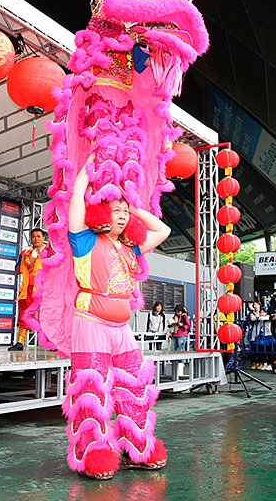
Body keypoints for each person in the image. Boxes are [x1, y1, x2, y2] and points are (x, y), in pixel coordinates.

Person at [62, 157, 171, 478]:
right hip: (90, 322)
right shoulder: (83, 240)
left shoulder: (130, 248)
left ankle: (138, 447)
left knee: (132, 386)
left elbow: (161, 229)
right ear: (99, 211)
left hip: (121, 327)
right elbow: (76, 200)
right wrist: (88, 169)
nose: (122, 216)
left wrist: (132, 204)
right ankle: (92, 453)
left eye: (125, 212)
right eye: (116, 210)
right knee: (91, 390)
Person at [12, 228, 48, 350]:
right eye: (33, 236)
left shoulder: (49, 253)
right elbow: (17, 271)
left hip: (44, 289)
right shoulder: (25, 253)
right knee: (24, 313)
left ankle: (50, 343)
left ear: (44, 238)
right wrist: (27, 262)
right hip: (27, 288)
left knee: (45, 315)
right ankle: (20, 343)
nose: (36, 239)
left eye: (38, 236)